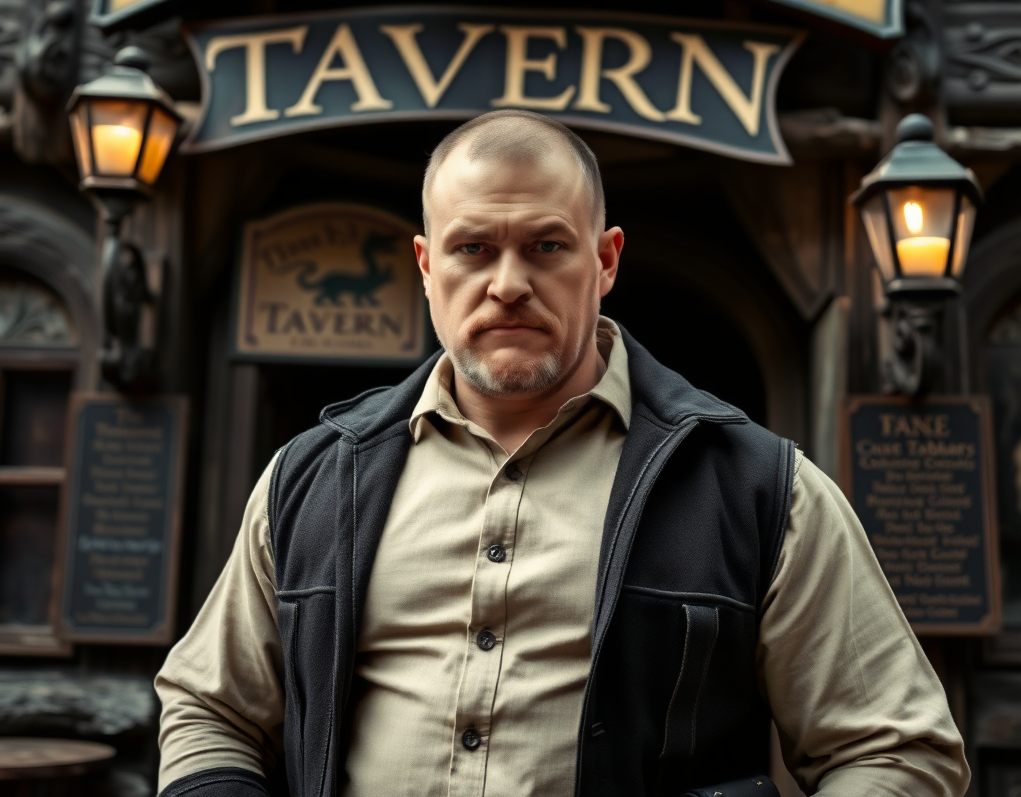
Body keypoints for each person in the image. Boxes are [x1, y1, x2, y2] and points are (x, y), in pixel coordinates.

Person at [156, 109, 969, 797]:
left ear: (606, 260)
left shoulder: (759, 487)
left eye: (547, 247)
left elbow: (897, 748)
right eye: (473, 248)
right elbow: (209, 707)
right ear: (426, 264)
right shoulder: (313, 475)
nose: (508, 283)